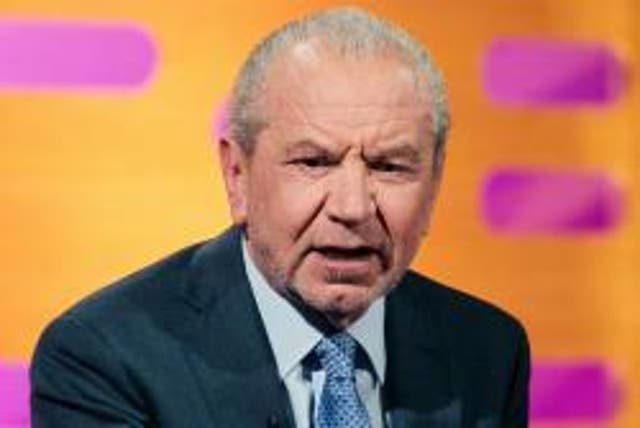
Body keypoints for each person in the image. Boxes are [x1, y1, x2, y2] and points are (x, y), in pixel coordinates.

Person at [30, 7, 529, 428]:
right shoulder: (105, 358)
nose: (353, 207)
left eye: (389, 166)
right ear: (237, 175)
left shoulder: (488, 351)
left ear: (435, 183)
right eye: (313, 162)